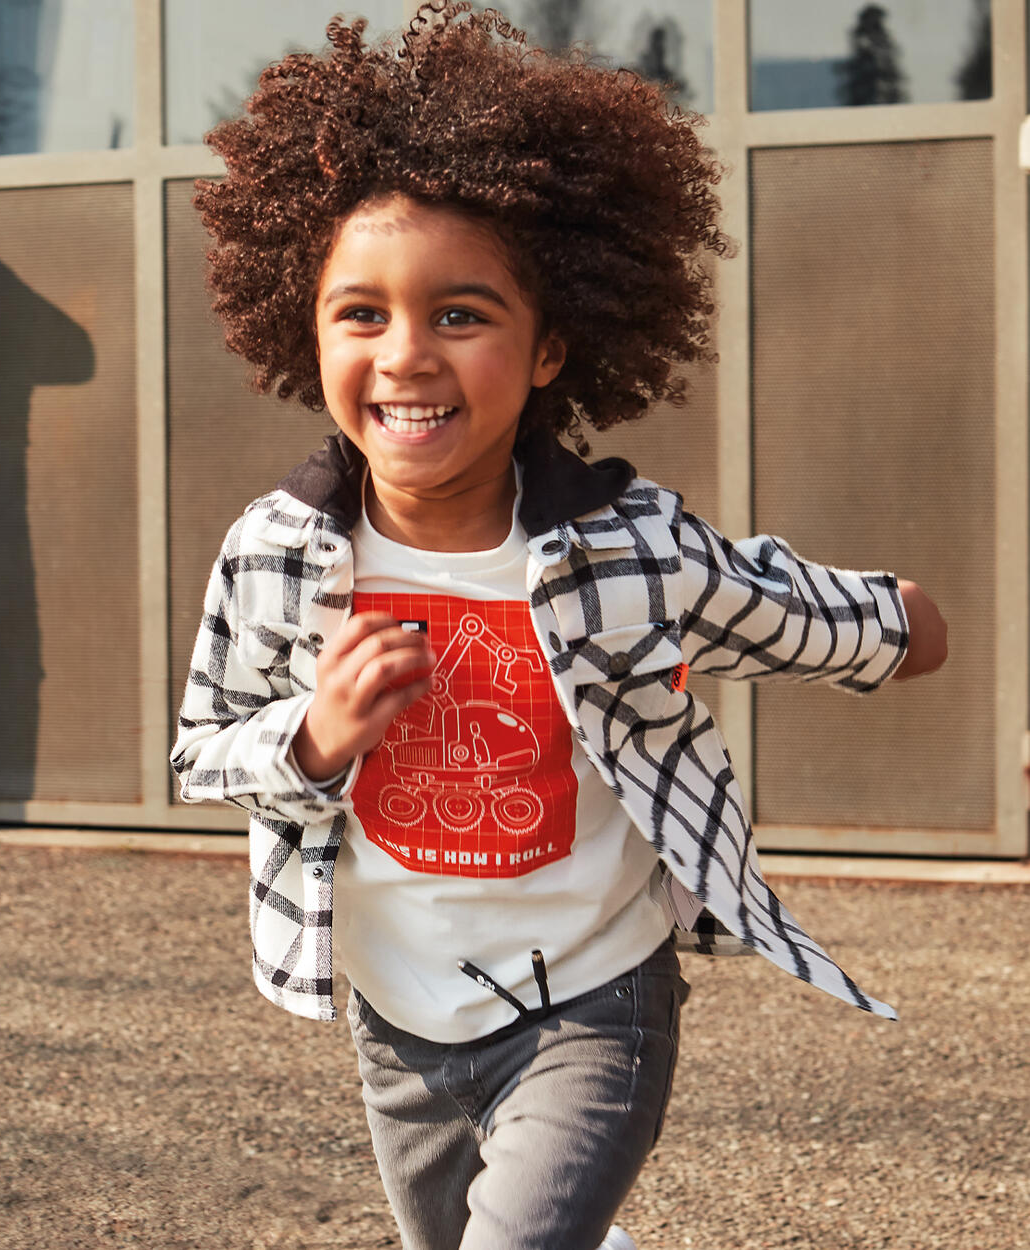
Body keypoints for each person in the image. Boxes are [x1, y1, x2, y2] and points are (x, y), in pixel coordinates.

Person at [170, 6, 948, 1248]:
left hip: (593, 1001)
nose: (406, 355)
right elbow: (201, 749)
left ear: (550, 348)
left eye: (461, 315)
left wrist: (892, 623)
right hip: (396, 1016)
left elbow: (763, 600)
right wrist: (311, 739)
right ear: (304, 328)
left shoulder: (623, 546)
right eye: (360, 313)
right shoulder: (275, 552)